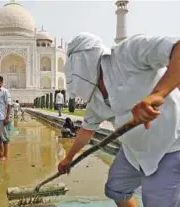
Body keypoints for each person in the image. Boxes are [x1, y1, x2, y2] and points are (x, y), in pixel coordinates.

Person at [57, 32, 180, 207]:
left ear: (83, 59)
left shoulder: (127, 53)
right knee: (116, 189)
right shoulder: (96, 96)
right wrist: (68, 158)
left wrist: (157, 95)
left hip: (170, 146)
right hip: (133, 153)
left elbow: (177, 48)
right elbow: (86, 131)